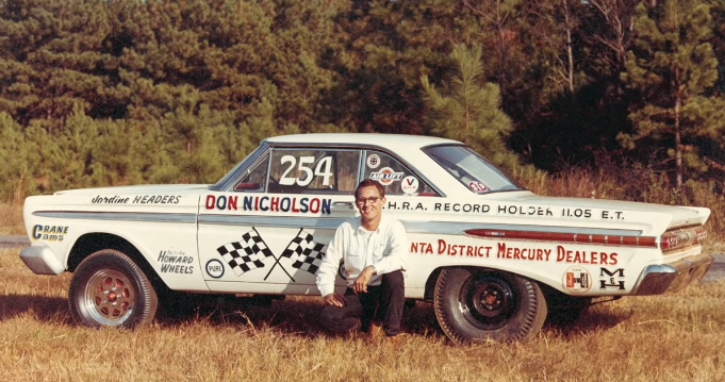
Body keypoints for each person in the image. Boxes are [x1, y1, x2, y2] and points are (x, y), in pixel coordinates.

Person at [316, 179, 408, 339]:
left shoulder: (394, 227)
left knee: (395, 277)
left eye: (373, 199)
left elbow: (400, 258)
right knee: (329, 316)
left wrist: (371, 269)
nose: (367, 205)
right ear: (357, 203)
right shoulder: (346, 228)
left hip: (383, 292)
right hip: (356, 293)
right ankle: (362, 325)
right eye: (362, 200)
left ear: (383, 201)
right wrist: (328, 292)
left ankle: (391, 334)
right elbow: (328, 263)